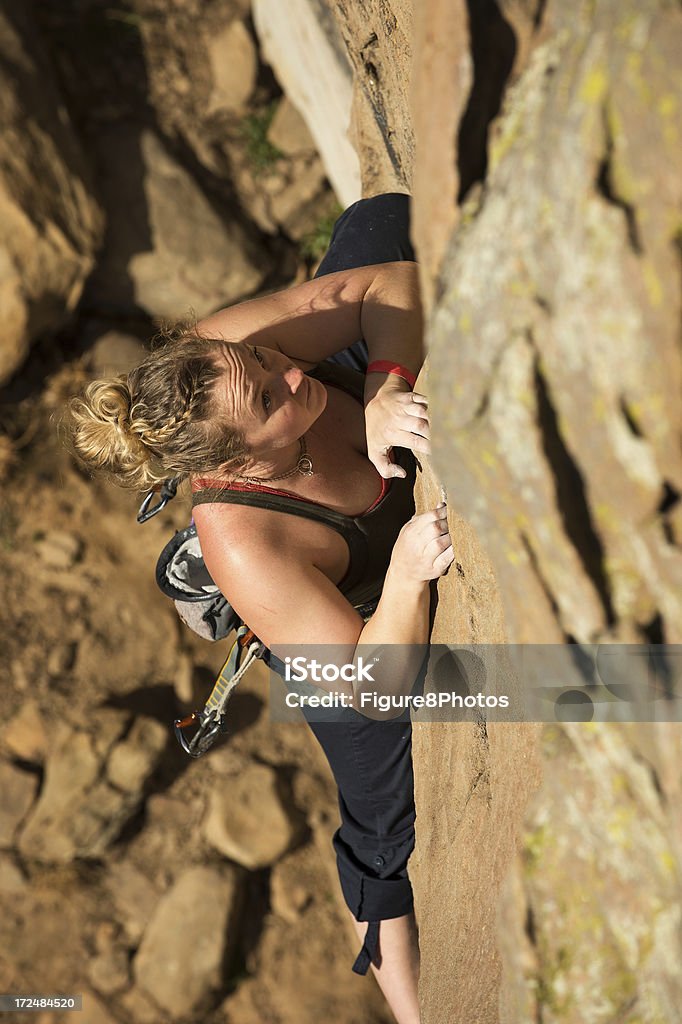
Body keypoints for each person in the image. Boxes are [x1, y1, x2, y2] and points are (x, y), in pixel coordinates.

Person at [66, 193, 454, 1024]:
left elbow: (386, 279)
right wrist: (407, 577)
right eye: (273, 397)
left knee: (378, 220)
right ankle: (415, 1011)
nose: (287, 372)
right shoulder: (245, 541)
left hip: (350, 432)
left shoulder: (230, 356)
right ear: (243, 463)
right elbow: (375, 687)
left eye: (272, 366)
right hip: (327, 623)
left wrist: (387, 385)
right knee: (381, 821)